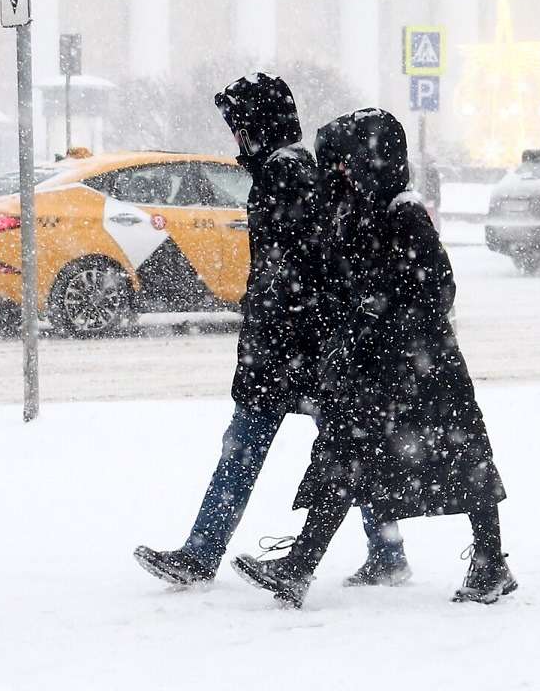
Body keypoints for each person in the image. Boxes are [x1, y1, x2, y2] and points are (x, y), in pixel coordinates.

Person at [133, 75, 412, 588]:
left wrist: (284, 332)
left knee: (260, 452)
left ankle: (201, 553)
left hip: (288, 348)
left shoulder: (284, 175)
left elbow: (301, 268)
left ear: (257, 126)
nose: (235, 137)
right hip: (299, 344)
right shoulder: (292, 170)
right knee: (346, 450)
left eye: (238, 126)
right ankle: (387, 552)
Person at [232, 109, 515, 609]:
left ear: (369, 159)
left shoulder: (402, 212)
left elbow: (437, 289)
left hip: (420, 369)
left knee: (461, 462)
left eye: (342, 162)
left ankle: (491, 562)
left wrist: (381, 317)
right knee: (342, 455)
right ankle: (300, 565)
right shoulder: (358, 209)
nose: (335, 172)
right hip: (374, 367)